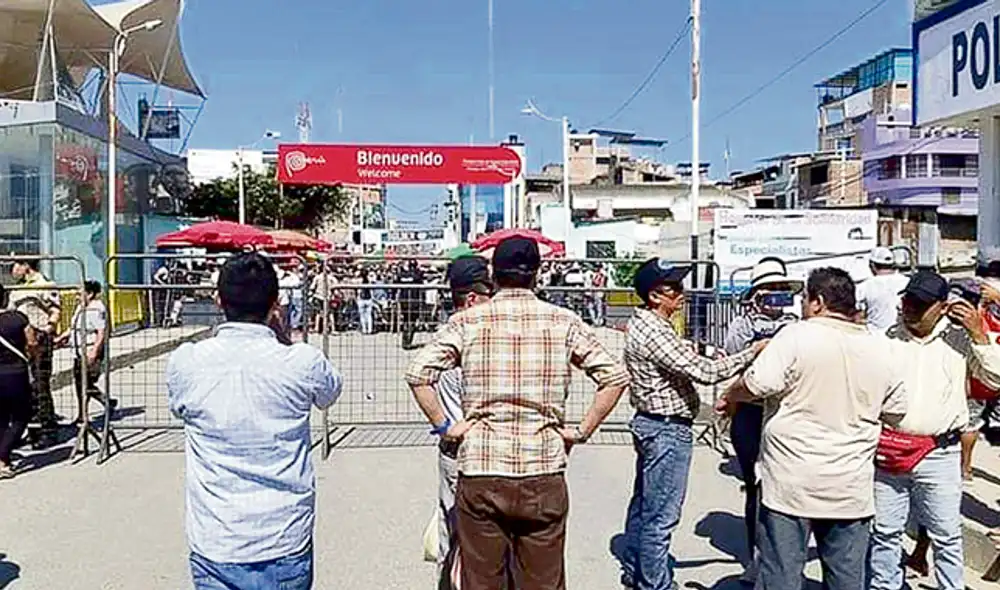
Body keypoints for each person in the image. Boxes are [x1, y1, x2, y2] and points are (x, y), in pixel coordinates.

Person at [406, 236, 630, 590]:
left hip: (482, 467)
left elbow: (419, 374)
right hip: (542, 468)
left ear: (494, 274)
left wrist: (446, 427)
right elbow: (615, 376)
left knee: (481, 580)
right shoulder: (563, 321)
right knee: (542, 580)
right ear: (537, 275)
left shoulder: (469, 321)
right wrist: (582, 430)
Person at [717, 267, 907, 590]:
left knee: (781, 576)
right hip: (850, 488)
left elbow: (756, 382)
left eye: (805, 298)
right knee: (847, 580)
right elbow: (897, 411)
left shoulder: (796, 335)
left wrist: (730, 394)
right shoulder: (880, 344)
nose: (802, 305)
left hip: (791, 486)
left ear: (817, 302)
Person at [166, 253, 343, 590]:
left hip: (217, 536)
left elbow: (178, 407)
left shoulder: (186, 361)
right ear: (275, 303)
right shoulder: (301, 361)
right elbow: (329, 393)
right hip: (284, 534)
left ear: (218, 300)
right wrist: (286, 338)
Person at [619, 258, 767, 590]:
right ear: (655, 296)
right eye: (674, 288)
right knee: (661, 514)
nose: (682, 293)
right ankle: (654, 583)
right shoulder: (653, 330)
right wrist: (752, 352)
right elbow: (704, 372)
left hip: (655, 424)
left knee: (645, 506)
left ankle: (637, 569)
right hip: (665, 429)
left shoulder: (651, 325)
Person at [869, 270, 1000, 590]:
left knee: (946, 534)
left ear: (942, 307)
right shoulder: (886, 339)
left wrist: (980, 336)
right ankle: (885, 586)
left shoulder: (960, 339)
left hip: (939, 453)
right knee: (885, 531)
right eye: (908, 300)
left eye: (920, 303)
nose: (911, 307)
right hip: (889, 449)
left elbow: (996, 379)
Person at [720, 257, 801, 584]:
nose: (776, 295)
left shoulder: (795, 324)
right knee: (755, 485)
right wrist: (754, 337)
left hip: (784, 411)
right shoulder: (741, 324)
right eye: (769, 290)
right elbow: (730, 358)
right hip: (751, 411)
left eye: (781, 289)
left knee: (783, 486)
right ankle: (756, 556)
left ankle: (780, 554)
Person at [432, 256, 496, 589]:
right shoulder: (464, 339)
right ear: (472, 298)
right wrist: (445, 425)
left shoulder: (452, 332)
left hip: (455, 447)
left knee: (454, 532)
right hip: (466, 452)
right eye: (490, 292)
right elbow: (417, 378)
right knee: (470, 541)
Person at [9, 259, 61, 450]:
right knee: (24, 386)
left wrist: (48, 329)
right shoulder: (17, 288)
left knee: (40, 384)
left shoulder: (44, 284)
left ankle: (48, 430)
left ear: (26, 266)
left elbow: (55, 310)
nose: (13, 270)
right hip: (20, 340)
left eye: (15, 265)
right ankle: (31, 430)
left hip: (39, 337)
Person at [55, 280, 116, 422]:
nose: (77, 296)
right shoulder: (80, 307)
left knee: (85, 383)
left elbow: (101, 332)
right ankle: (97, 406)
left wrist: (94, 352)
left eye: (79, 293)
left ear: (89, 294)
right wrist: (60, 338)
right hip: (78, 352)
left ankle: (88, 412)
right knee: (80, 383)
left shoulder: (97, 309)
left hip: (89, 351)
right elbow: (73, 327)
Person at [0, 284, 35, 479]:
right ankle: (2, 458)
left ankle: (4, 458)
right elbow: (31, 343)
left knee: (1, 418)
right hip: (15, 373)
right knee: (22, 416)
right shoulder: (18, 318)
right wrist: (33, 355)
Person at [856, 247, 909, 332]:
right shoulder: (908, 282)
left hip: (874, 336)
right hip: (901, 335)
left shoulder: (865, 286)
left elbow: (856, 313)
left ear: (872, 265)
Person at [397, 260, 424, 348]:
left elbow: (396, 283)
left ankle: (405, 341)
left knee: (406, 321)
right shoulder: (417, 275)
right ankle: (407, 341)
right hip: (413, 301)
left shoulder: (402, 275)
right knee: (412, 321)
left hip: (404, 300)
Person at [357, 270, 375, 335]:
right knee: (369, 316)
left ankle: (364, 330)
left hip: (361, 299)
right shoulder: (369, 280)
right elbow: (371, 290)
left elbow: (358, 290)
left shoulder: (359, 281)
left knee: (362, 316)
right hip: (368, 299)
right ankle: (370, 330)